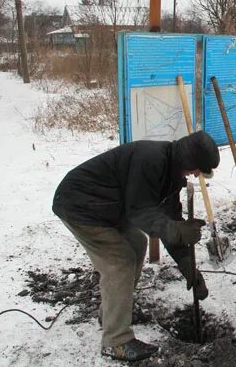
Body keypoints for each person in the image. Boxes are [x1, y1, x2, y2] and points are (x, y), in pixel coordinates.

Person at [52, 131, 220, 362]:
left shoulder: (171, 173)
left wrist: (188, 267)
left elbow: (169, 219)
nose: (197, 174)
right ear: (189, 158)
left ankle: (113, 312)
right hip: (82, 206)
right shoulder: (151, 160)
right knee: (120, 261)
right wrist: (177, 230)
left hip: (108, 208)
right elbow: (140, 212)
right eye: (198, 168)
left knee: (137, 243)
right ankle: (116, 341)